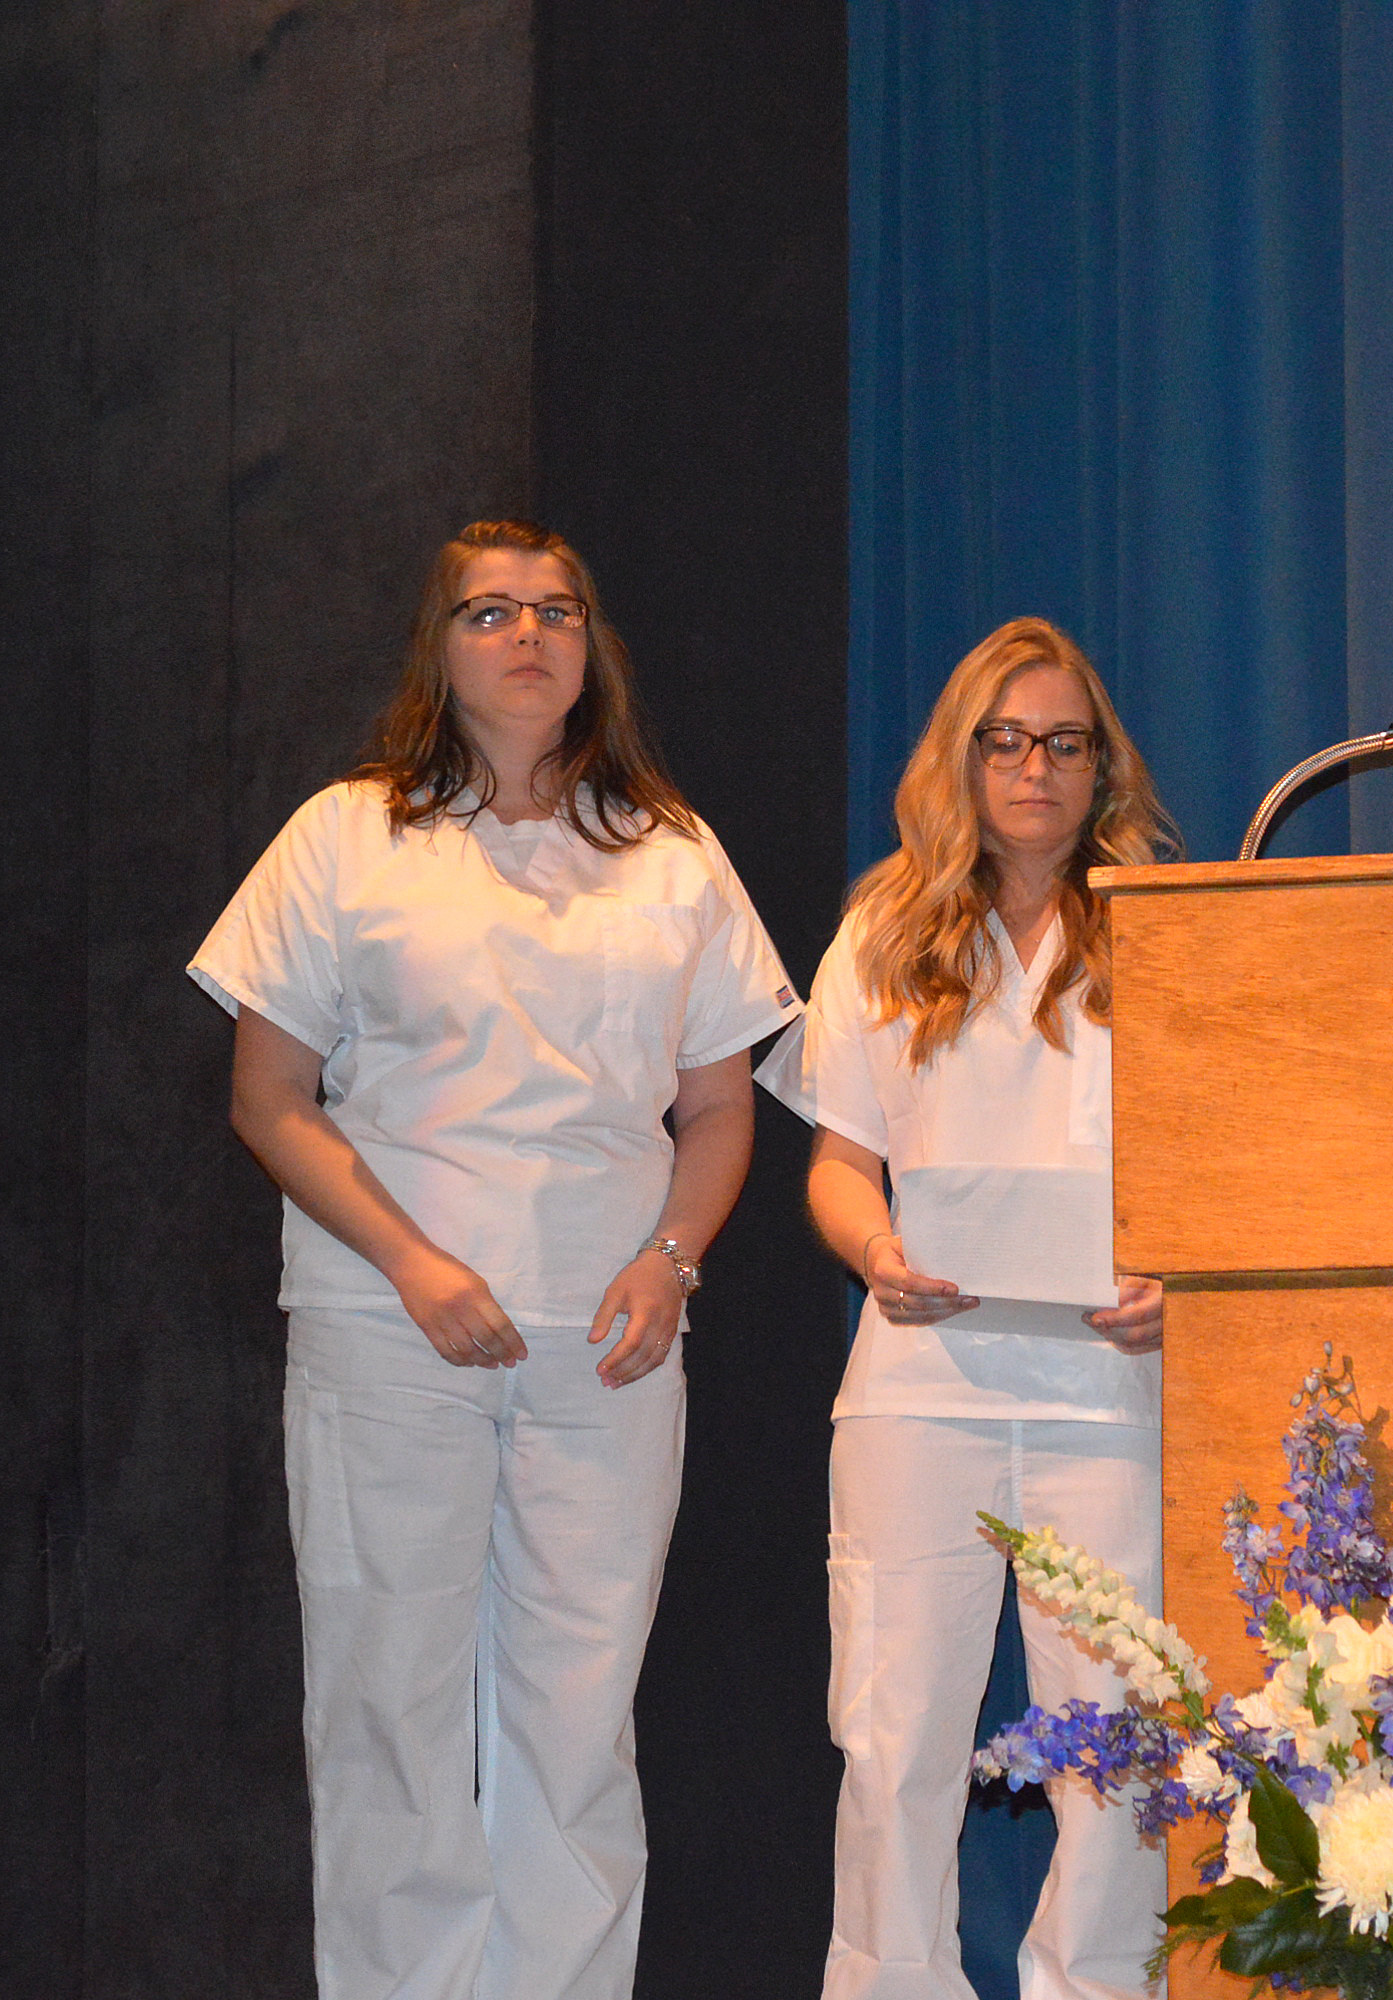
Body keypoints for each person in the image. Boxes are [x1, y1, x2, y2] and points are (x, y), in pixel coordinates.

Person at [187, 520, 800, 1999]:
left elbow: (720, 1108)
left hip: (610, 1338)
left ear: (592, 647)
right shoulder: (348, 834)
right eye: (489, 611)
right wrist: (411, 1262)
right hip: (390, 1329)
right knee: (389, 1706)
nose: (526, 634)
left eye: (555, 610)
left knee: (578, 1714)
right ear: (441, 647)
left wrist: (673, 1261)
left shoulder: (671, 851)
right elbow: (268, 1097)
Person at [758, 616, 1174, 2000]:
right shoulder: (884, 928)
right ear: (962, 758)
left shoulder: (1167, 929)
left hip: (1106, 1397)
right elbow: (835, 1162)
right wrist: (875, 1249)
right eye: (1005, 740)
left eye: (1062, 742)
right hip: (918, 1394)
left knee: (1115, 1745)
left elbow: (1219, 1164)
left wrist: (1176, 1280)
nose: (1034, 768)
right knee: (894, 1743)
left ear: (1102, 766)